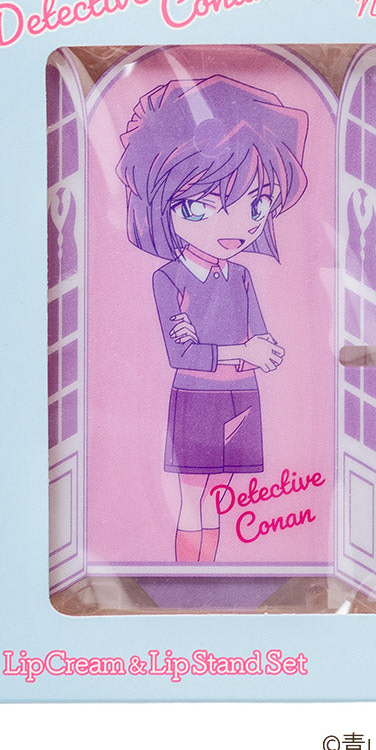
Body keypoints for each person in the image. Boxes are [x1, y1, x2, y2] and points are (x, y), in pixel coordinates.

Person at [116, 74, 309, 562]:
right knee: (192, 495)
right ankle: (188, 577)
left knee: (218, 496)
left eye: (257, 205)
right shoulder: (169, 278)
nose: (236, 226)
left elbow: (260, 332)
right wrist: (243, 351)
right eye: (201, 206)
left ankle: (211, 575)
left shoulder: (240, 275)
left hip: (241, 394)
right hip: (197, 398)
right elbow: (182, 354)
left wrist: (265, 352)